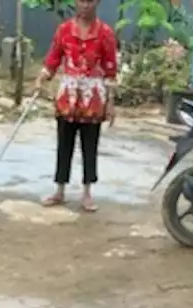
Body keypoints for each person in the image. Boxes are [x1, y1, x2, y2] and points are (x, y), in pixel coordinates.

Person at [34, 0, 118, 213]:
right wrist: (43, 77)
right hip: (68, 95)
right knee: (64, 143)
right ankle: (59, 190)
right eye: (81, 1)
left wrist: (111, 102)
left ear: (97, 3)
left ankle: (87, 193)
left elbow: (110, 69)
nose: (85, 5)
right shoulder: (64, 30)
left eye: (90, 1)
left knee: (90, 145)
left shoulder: (105, 33)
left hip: (93, 97)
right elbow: (53, 59)